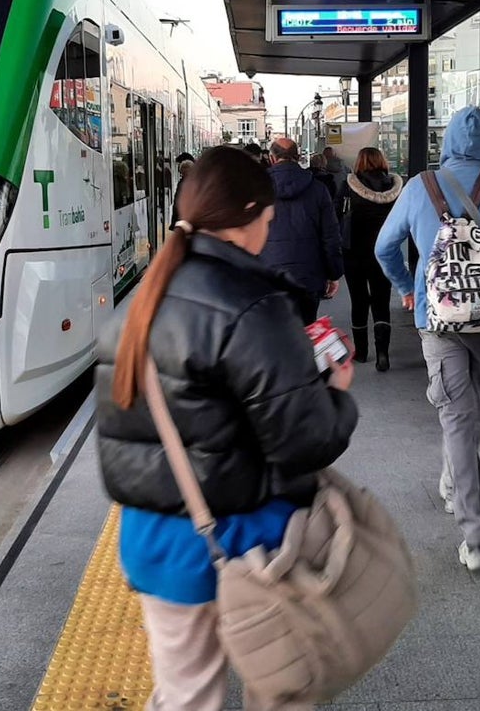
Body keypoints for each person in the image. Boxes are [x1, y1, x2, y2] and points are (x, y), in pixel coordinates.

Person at [95, 145, 358, 711]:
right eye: (267, 220)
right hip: (245, 542)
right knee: (282, 688)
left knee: (186, 697)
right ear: (247, 216)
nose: (269, 230)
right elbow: (305, 441)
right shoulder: (254, 305)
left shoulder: (133, 307)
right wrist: (335, 395)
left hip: (156, 543)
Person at [374, 106, 480, 572]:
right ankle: (454, 482)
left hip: (437, 320)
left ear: (445, 142)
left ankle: (477, 537)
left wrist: (409, 288)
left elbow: (383, 247)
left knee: (456, 415)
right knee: (465, 409)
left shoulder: (418, 188)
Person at [259, 137, 343, 324]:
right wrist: (333, 273)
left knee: (273, 335)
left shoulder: (258, 189)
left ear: (272, 158)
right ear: (297, 157)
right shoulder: (318, 189)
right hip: (309, 277)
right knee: (307, 332)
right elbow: (330, 235)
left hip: (268, 276)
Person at [336, 146, 402, 372]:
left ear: (360, 162)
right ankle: (382, 353)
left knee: (359, 300)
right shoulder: (394, 188)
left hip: (354, 251)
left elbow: (337, 214)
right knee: (381, 300)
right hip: (385, 252)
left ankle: (361, 352)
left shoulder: (349, 186)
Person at [170, 153, 195, 228]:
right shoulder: (197, 181)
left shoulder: (184, 183)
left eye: (182, 172)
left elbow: (178, 202)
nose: (180, 173)